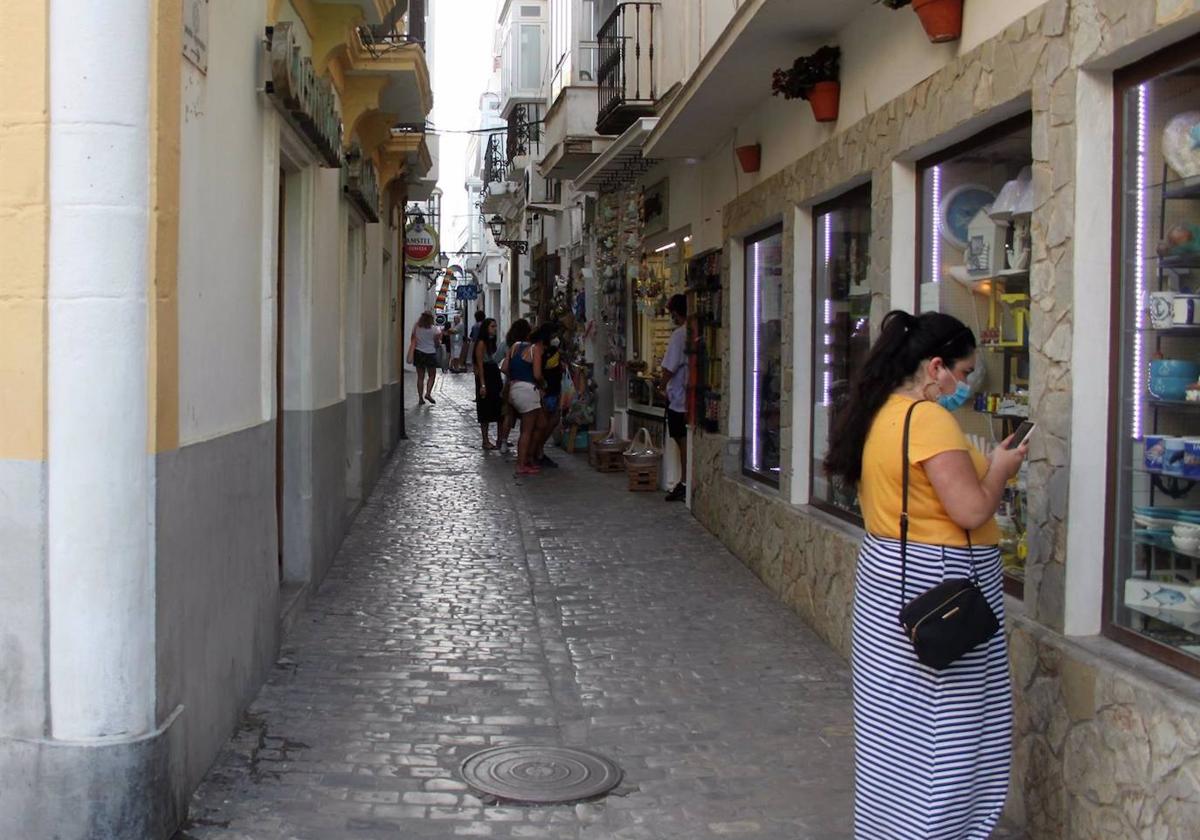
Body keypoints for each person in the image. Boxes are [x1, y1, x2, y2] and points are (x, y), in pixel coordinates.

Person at [822, 310, 1028, 840]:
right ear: (935, 367)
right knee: (950, 734)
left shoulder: (878, 413)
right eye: (962, 373)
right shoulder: (929, 419)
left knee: (895, 734)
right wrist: (1000, 471)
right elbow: (969, 510)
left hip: (889, 583)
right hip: (942, 587)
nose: (963, 384)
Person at [502, 325, 544, 476]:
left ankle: (529, 457)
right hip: (528, 390)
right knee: (526, 431)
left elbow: (505, 367)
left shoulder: (514, 347)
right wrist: (542, 384)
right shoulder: (535, 349)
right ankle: (521, 464)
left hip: (514, 388)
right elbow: (537, 374)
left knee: (540, 424)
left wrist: (516, 375)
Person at [660, 295, 689, 502]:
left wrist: (661, 386)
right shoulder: (691, 332)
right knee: (682, 441)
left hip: (679, 398)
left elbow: (669, 366)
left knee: (682, 441)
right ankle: (684, 480)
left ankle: (685, 482)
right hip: (683, 396)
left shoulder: (680, 335)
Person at [529, 323, 563, 468]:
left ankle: (537, 451)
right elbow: (538, 373)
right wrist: (543, 386)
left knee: (551, 420)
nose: (556, 338)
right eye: (554, 335)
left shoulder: (550, 350)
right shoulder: (541, 351)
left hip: (553, 390)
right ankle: (536, 452)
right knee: (545, 423)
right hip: (547, 392)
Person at [496, 319, 530, 453]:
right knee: (526, 416)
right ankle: (524, 444)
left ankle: (503, 442)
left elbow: (495, 359)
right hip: (527, 383)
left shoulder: (506, 345)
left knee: (508, 415)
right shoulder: (530, 347)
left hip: (510, 384)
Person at [473, 318, 503, 449]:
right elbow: (480, 365)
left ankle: (500, 439)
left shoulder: (491, 343)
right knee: (485, 409)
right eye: (492, 326)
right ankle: (485, 440)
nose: (495, 329)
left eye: (495, 326)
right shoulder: (481, 343)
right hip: (486, 375)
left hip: (494, 374)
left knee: (499, 408)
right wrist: (483, 385)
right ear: (486, 328)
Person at [408, 311, 441, 405]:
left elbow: (412, 339)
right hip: (430, 353)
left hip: (419, 353)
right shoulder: (435, 329)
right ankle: (428, 393)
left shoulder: (416, 327)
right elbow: (437, 343)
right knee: (432, 375)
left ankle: (420, 398)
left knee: (420, 377)